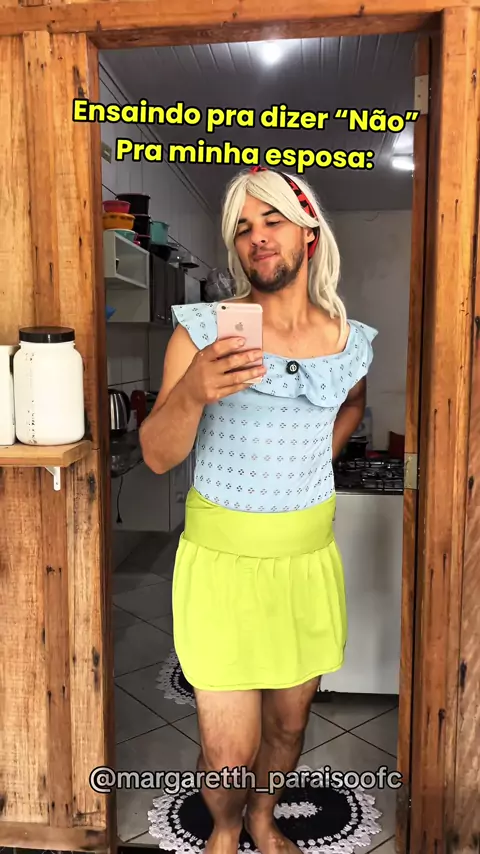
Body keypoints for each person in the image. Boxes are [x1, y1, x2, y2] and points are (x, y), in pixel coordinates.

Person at [140, 166, 377, 854]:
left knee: (287, 728)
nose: (257, 238)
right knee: (227, 753)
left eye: (272, 220)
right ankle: (223, 824)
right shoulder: (203, 332)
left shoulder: (348, 340)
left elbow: (354, 402)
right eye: (243, 228)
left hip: (305, 563)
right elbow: (156, 455)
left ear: (309, 233)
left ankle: (263, 818)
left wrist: (314, 460)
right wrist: (193, 391)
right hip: (221, 566)